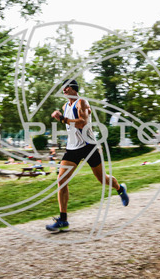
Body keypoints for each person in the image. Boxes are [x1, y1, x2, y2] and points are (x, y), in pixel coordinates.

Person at [46, 79, 129, 233]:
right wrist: (63, 117)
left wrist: (62, 119)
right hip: (72, 148)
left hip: (89, 146)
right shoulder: (65, 106)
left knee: (102, 179)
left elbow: (82, 123)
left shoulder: (82, 102)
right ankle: (63, 220)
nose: (63, 90)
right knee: (61, 180)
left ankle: (120, 189)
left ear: (72, 88)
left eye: (65, 88)